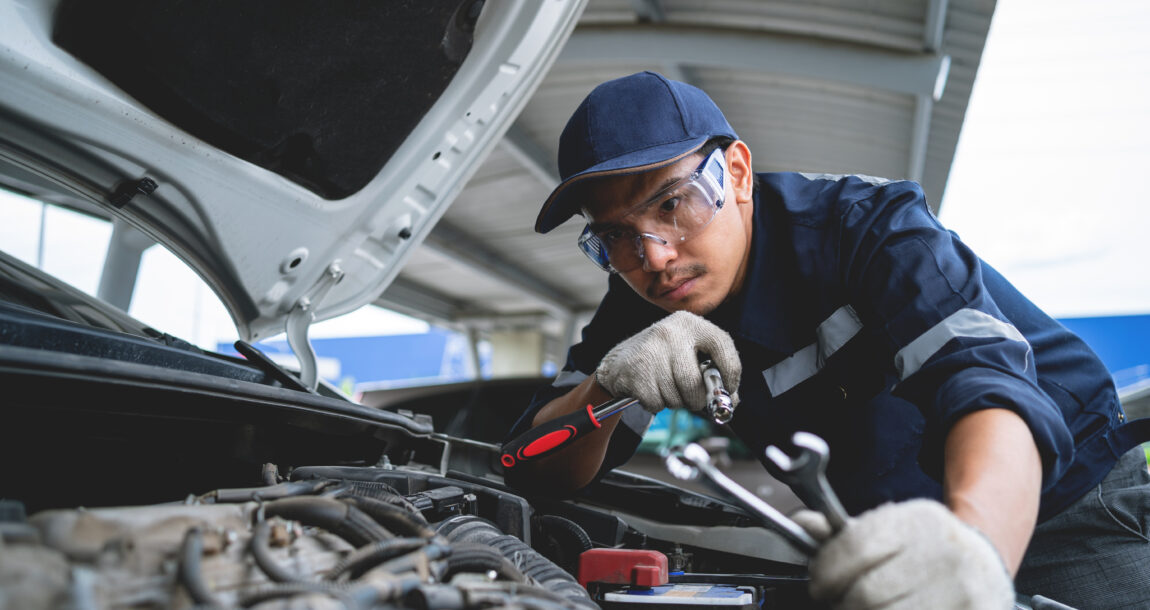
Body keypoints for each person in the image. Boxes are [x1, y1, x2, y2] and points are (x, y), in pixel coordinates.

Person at [504, 71, 1150, 609]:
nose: (653, 254)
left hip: (1064, 512)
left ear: (735, 170)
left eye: (673, 204)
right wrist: (605, 388)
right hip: (888, 542)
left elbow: (987, 387)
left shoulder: (868, 228)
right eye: (614, 235)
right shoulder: (640, 305)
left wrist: (971, 552)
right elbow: (531, 465)